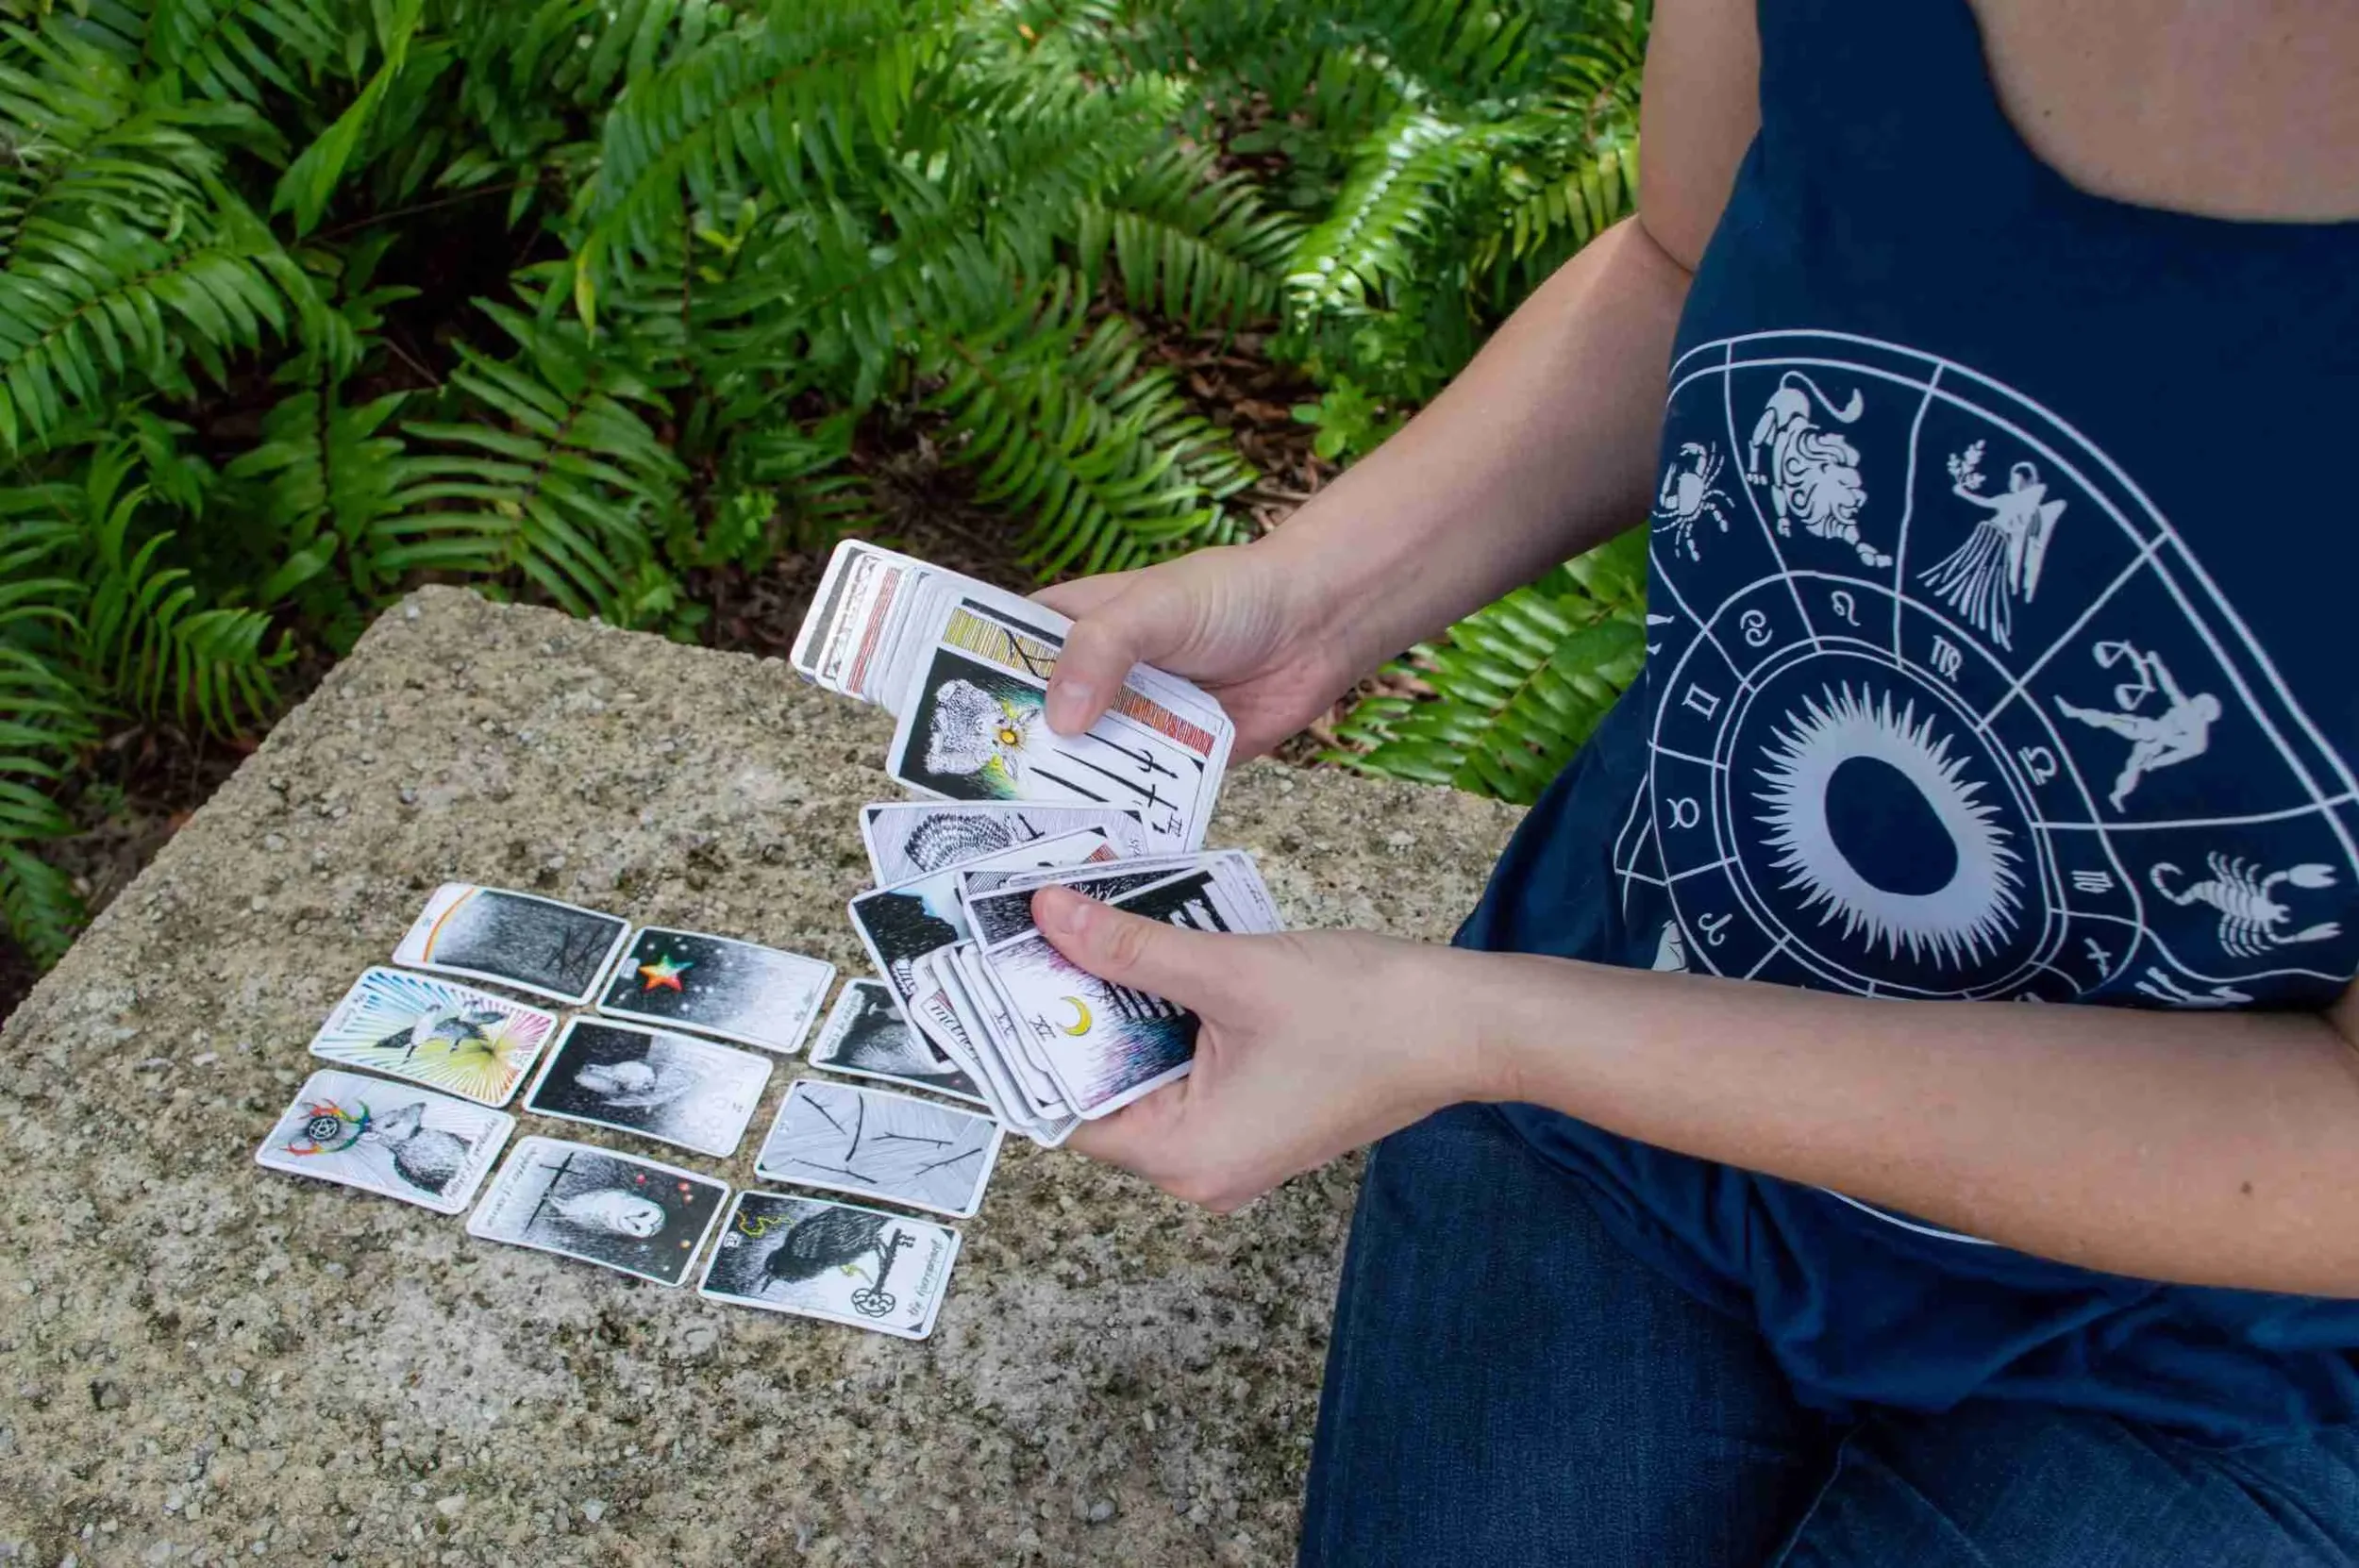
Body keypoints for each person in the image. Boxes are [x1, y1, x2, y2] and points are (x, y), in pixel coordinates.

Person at [1021, 2, 2359, 1562]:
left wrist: (1489, 1030)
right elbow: (1680, 255)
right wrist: (1311, 604)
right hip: (1618, 1097)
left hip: (2220, 1344)